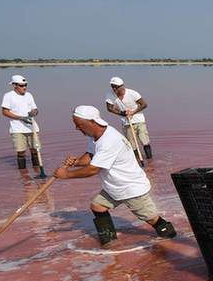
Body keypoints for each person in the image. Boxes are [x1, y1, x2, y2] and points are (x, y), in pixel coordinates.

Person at [53, 105, 176, 246]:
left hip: (130, 188)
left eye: (79, 125)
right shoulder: (94, 136)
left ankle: (171, 238)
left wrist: (66, 175)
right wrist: (76, 162)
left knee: (151, 219)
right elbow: (91, 155)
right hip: (114, 186)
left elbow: (93, 169)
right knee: (98, 206)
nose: (77, 128)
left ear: (92, 122)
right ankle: (109, 241)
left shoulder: (109, 140)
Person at [104, 76, 153, 161]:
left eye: (116, 87)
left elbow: (144, 104)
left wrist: (133, 112)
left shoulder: (132, 93)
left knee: (145, 141)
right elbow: (109, 108)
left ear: (122, 86)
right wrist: (122, 113)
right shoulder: (110, 95)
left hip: (139, 120)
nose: (114, 89)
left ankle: (150, 161)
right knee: (132, 145)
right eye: (112, 86)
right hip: (126, 122)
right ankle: (137, 161)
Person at [0, 74, 41, 171]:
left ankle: (37, 170)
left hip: (32, 127)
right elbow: (5, 112)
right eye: (21, 85)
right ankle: (23, 172)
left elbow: (35, 109)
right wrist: (21, 118)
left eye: (26, 85)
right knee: (21, 152)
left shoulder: (29, 95)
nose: (24, 87)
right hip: (17, 128)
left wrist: (34, 112)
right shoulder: (8, 96)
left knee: (35, 150)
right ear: (14, 85)